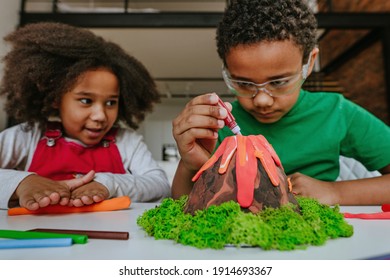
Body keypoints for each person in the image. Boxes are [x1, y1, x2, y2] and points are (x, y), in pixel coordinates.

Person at [171, 0, 390, 205]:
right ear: (227, 71)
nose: (262, 100)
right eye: (244, 83)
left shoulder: (337, 112)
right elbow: (182, 201)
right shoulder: (216, 125)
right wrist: (190, 164)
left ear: (309, 62)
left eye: (279, 82)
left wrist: (335, 192)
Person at [0, 22, 170, 210]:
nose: (100, 116)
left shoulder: (127, 142)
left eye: (110, 102)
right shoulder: (27, 136)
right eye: (86, 101)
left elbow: (160, 185)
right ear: (57, 99)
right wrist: (22, 183)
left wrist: (107, 183)